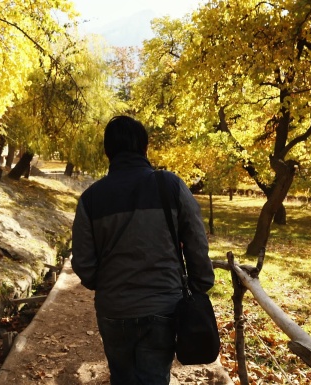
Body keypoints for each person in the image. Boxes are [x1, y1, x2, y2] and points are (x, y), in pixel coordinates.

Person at [71, 115, 215, 385]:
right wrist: (200, 285)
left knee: (122, 377)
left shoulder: (91, 198)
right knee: (154, 378)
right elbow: (196, 240)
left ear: (107, 151)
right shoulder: (170, 185)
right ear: (145, 147)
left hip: (113, 309)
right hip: (163, 306)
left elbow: (82, 261)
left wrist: (106, 286)